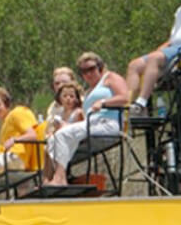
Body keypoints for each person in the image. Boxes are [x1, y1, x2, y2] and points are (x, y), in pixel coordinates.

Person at [44, 52, 128, 186]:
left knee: (62, 135)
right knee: (54, 138)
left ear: (100, 67)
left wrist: (104, 103)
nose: (88, 74)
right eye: (84, 71)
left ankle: (60, 178)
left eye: (91, 69)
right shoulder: (89, 91)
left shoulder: (110, 78)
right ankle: (50, 179)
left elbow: (125, 97)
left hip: (108, 124)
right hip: (91, 125)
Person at [45, 66, 77, 134]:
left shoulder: (79, 102)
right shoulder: (53, 106)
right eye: (57, 83)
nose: (60, 86)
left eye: (64, 82)